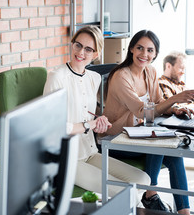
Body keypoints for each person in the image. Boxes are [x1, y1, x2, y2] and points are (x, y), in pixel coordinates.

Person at [43, 26, 151, 200]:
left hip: (90, 152)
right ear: (72, 45)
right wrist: (88, 125)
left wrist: (98, 121)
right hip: (67, 159)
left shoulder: (94, 78)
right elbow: (52, 128)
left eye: (88, 49)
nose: (81, 52)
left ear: (96, 54)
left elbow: (87, 114)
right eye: (78, 45)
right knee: (128, 194)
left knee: (143, 179)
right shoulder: (57, 77)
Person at [101, 30, 194, 215]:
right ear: (131, 49)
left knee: (175, 154)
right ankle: (151, 193)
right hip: (114, 138)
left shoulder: (151, 72)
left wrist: (175, 108)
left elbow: (159, 103)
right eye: (139, 48)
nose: (144, 54)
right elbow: (141, 110)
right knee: (159, 143)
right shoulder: (121, 76)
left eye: (149, 50)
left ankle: (184, 212)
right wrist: (174, 99)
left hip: (139, 136)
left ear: (155, 54)